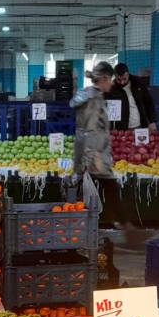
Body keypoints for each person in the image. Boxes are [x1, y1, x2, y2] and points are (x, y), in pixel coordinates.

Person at [70, 61, 123, 229]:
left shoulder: (90, 94)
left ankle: (93, 222)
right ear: (105, 78)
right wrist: (93, 159)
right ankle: (104, 222)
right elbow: (91, 131)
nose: (113, 83)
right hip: (94, 154)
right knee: (109, 187)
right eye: (111, 79)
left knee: (94, 187)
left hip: (89, 152)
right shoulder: (93, 98)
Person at [105, 62, 157, 131]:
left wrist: (152, 121)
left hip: (140, 125)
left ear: (128, 74)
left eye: (124, 79)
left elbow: (148, 102)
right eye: (119, 80)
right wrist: (110, 128)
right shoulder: (111, 89)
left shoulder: (138, 83)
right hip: (121, 128)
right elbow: (109, 111)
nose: (122, 82)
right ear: (115, 76)